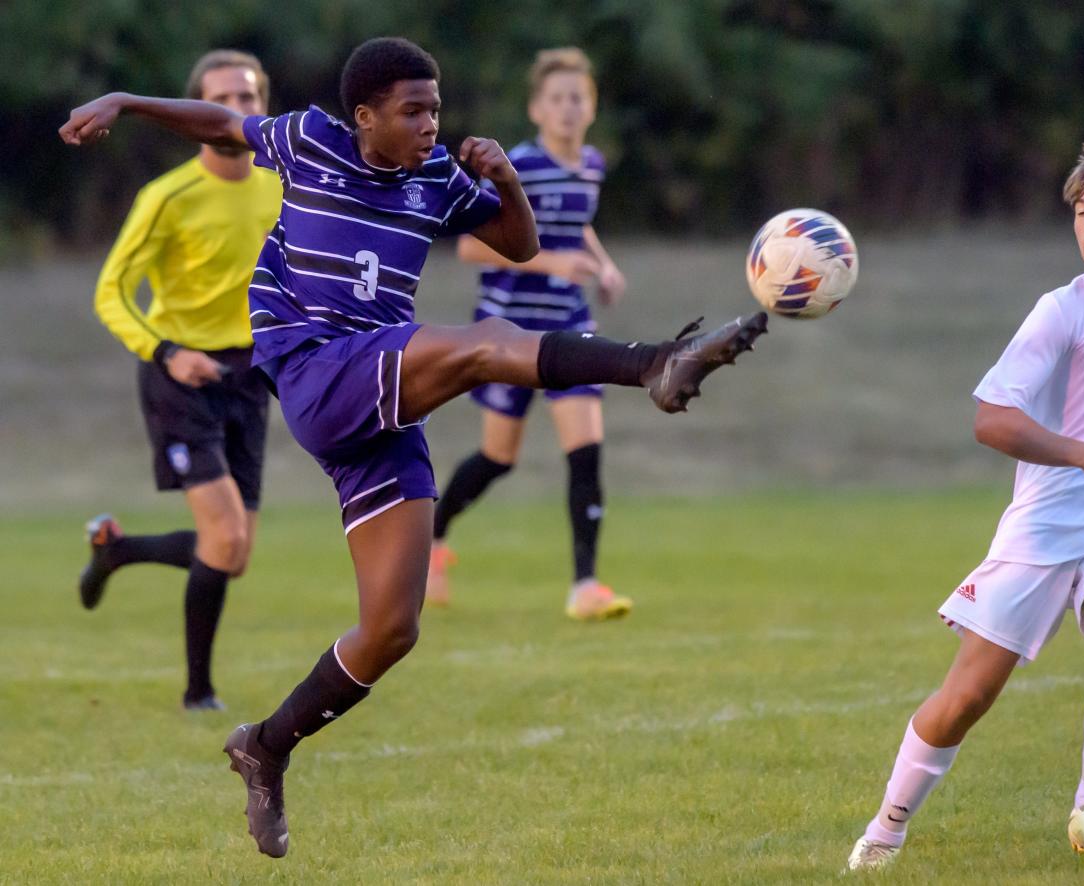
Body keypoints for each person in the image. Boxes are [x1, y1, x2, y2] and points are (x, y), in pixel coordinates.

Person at [60, 36, 767, 859]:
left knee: (391, 628)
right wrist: (124, 104)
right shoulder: (311, 140)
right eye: (412, 111)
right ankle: (651, 364)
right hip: (316, 371)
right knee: (480, 344)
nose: (431, 124)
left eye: (435, 107)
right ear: (364, 117)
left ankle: (266, 744)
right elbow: (220, 123)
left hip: (383, 403)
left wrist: (504, 179)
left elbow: (519, 245)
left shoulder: (438, 181)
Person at [847, 126, 1084, 870]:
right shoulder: (1062, 309)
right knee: (968, 696)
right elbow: (991, 419)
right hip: (1042, 525)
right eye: (1081, 212)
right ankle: (885, 830)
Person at [79, 50, 282, 711]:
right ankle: (199, 694)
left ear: (263, 107)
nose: (236, 111)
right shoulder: (166, 197)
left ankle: (118, 551)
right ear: (195, 116)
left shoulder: (283, 186)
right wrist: (166, 352)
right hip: (179, 374)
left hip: (249, 373)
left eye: (248, 98)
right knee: (224, 538)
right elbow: (111, 294)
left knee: (237, 551)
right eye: (221, 99)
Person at [430, 47, 631, 620]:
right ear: (537, 110)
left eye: (579, 98)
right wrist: (554, 263)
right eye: (558, 99)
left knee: (586, 453)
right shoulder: (519, 164)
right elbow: (470, 245)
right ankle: (433, 537)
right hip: (509, 332)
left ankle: (585, 587)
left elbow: (578, 222)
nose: (569, 108)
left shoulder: (590, 163)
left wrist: (602, 264)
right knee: (499, 457)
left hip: (569, 324)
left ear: (591, 108)